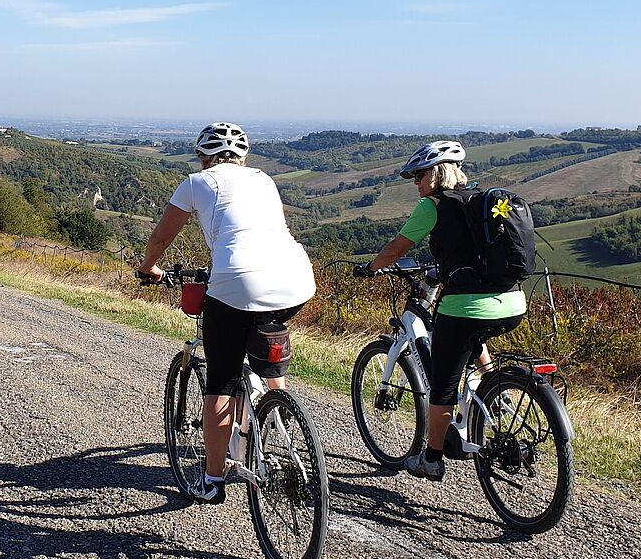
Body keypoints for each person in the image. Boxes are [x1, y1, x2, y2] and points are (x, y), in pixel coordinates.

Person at [137, 122, 316, 504]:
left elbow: (161, 238)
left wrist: (149, 267)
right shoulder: (264, 179)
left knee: (221, 383)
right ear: (243, 156)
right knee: (266, 340)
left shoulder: (196, 182)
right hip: (296, 279)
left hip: (237, 281)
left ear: (204, 156)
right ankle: (273, 411)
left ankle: (213, 479)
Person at [354, 140, 526, 481]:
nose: (416, 183)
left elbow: (397, 247)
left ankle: (431, 458)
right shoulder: (481, 202)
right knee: (471, 336)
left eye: (420, 175)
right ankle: (492, 388)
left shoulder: (433, 206)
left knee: (442, 386)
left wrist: (371, 268)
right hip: (513, 302)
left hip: (467, 307)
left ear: (438, 172)